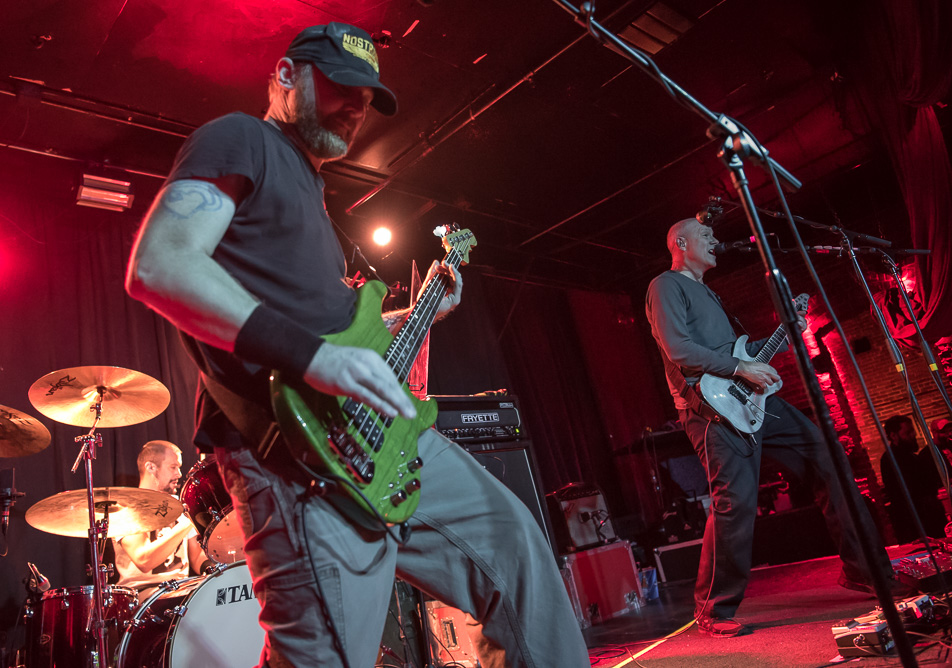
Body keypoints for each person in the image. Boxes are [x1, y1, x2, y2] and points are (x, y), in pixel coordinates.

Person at [125, 21, 589, 668]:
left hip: (381, 440)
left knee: (516, 551)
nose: (356, 106)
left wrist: (418, 315)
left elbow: (340, 339)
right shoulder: (240, 138)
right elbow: (161, 264)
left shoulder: (313, 193)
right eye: (340, 86)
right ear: (286, 76)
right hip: (296, 453)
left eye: (367, 97)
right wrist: (314, 357)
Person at [645, 218, 902, 638]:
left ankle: (861, 568)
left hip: (749, 400)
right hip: (711, 410)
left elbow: (739, 354)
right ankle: (713, 609)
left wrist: (785, 335)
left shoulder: (710, 293)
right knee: (735, 501)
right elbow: (679, 350)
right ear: (680, 242)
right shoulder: (665, 286)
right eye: (705, 235)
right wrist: (740, 365)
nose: (714, 240)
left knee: (828, 456)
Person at [113, 440, 207, 602]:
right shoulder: (126, 508)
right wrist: (188, 520)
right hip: (141, 596)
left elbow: (196, 558)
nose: (179, 474)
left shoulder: (181, 504)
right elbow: (144, 560)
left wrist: (215, 568)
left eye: (179, 467)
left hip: (182, 589)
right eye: (173, 467)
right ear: (151, 467)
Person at [880, 415, 947, 542]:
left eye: (912, 432)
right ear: (893, 436)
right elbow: (907, 494)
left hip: (924, 520)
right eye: (908, 433)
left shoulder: (909, 457)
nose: (913, 436)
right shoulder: (892, 460)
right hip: (917, 524)